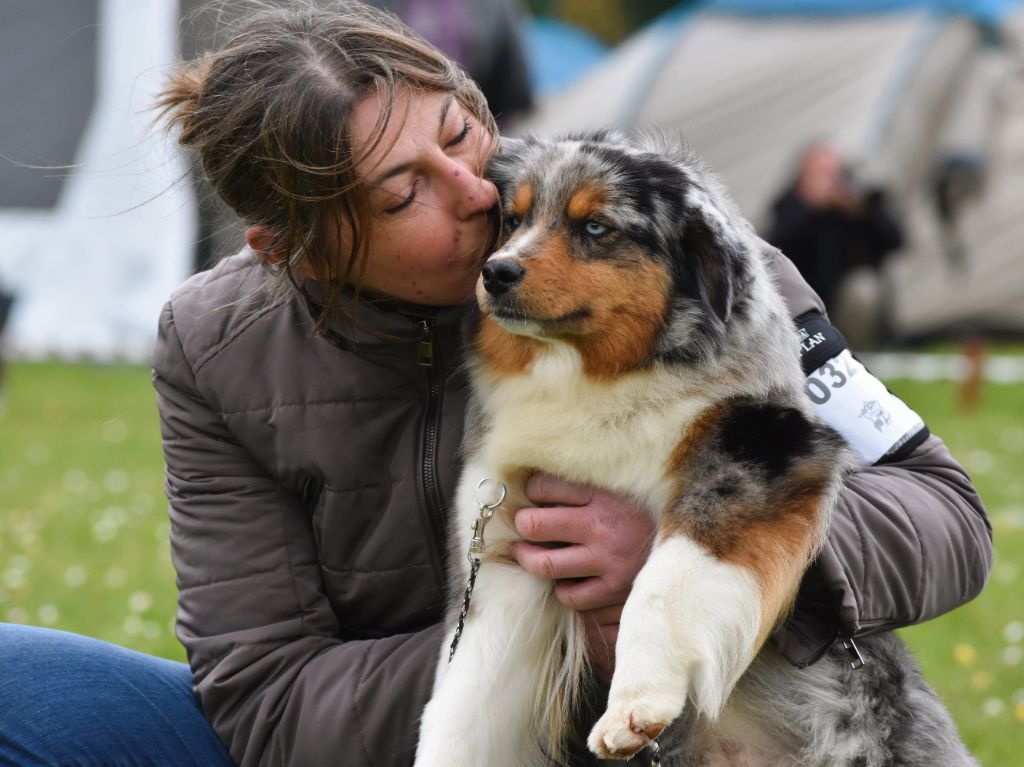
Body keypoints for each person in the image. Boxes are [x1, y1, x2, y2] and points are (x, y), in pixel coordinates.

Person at [0, 4, 991, 766]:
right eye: (402, 192)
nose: (478, 189)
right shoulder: (216, 344)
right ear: (291, 249)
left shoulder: (654, 245)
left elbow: (943, 512)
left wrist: (696, 550)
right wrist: (556, 629)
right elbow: (267, 696)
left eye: (460, 125)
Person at [766, 143, 904, 346]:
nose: (828, 181)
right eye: (819, 174)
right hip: (805, 300)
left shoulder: (858, 204)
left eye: (833, 173)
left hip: (846, 301)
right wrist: (811, 208)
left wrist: (864, 211)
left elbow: (896, 240)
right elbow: (776, 249)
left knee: (863, 288)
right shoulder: (790, 204)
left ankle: (861, 351)